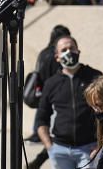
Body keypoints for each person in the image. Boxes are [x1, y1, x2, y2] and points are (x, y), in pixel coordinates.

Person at [34, 36, 102, 169]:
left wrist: (101, 144)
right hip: (60, 150)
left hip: (89, 149)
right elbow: (41, 119)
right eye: (64, 49)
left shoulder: (95, 77)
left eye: (72, 48)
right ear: (57, 57)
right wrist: (49, 147)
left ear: (78, 51)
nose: (69, 52)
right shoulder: (51, 84)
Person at [25, 25, 71, 169]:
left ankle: (37, 156)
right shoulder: (56, 55)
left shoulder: (43, 53)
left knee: (44, 122)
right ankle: (38, 161)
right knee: (59, 135)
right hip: (56, 96)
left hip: (44, 93)